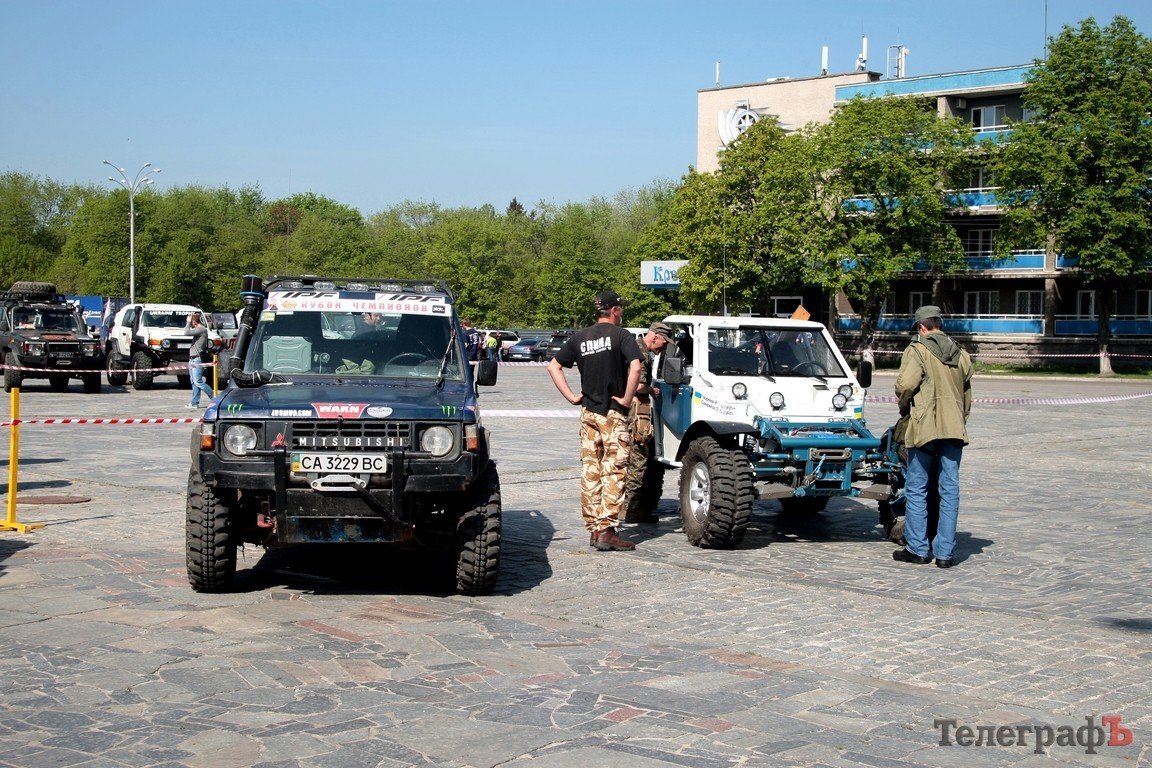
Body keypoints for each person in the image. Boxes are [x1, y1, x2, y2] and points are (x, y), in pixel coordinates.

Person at [548, 290, 642, 552]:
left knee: (591, 470)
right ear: (613, 310)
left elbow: (553, 366)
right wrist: (626, 398)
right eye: (620, 309)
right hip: (612, 412)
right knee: (614, 469)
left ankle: (593, 529)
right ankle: (607, 530)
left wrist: (571, 397)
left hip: (588, 411)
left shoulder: (580, 337)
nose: (621, 312)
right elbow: (635, 367)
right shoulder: (622, 336)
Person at [893, 305, 973, 568]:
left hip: (925, 427)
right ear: (938, 323)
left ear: (922, 327)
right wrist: (958, 421)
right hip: (953, 429)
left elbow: (905, 385)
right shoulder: (961, 353)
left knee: (917, 488)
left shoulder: (917, 350)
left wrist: (905, 408)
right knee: (949, 489)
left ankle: (918, 549)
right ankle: (945, 554)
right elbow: (967, 397)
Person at [622, 322, 673, 523]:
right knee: (637, 461)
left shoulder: (636, 348)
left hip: (632, 413)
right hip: (635, 415)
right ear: (654, 337)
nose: (664, 346)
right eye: (663, 341)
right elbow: (639, 385)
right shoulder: (640, 353)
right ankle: (630, 509)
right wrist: (652, 390)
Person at [184, 313, 216, 409]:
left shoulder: (201, 329)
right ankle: (194, 403)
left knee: (198, 381)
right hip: (192, 358)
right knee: (194, 382)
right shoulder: (198, 330)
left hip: (197, 358)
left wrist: (187, 322)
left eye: (191, 321)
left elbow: (186, 332)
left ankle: (215, 398)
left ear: (194, 321)